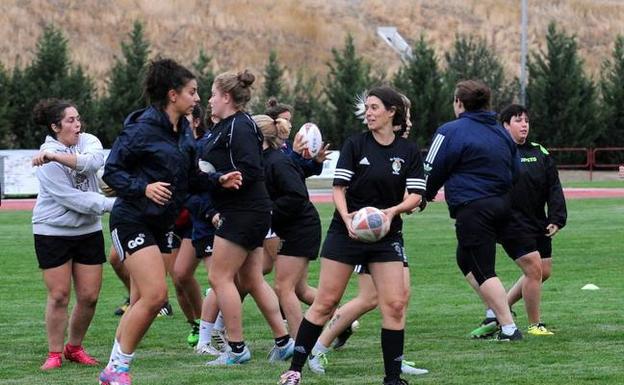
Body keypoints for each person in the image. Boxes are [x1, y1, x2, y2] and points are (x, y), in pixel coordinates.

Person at [279, 86, 425, 385]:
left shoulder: (408, 151)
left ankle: (393, 379)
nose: (368, 113)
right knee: (325, 302)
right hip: (346, 232)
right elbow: (338, 188)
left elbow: (416, 195)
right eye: (367, 108)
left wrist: (391, 212)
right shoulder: (356, 145)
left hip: (386, 235)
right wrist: (347, 218)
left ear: (391, 112)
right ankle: (294, 370)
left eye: (374, 108)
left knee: (395, 305)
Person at [98, 58, 208, 385]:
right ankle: (117, 369)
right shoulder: (142, 128)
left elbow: (190, 179)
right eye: (192, 91)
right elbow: (112, 171)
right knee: (156, 295)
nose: (197, 98)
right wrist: (143, 187)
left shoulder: (184, 134)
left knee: (142, 300)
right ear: (173, 95)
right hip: (132, 218)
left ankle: (112, 370)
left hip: (161, 225)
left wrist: (220, 182)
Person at [200, 70, 293, 366]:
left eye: (213, 94)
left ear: (226, 97)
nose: (209, 100)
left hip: (242, 211)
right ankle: (284, 342)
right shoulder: (226, 125)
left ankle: (237, 350)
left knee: (219, 277)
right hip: (248, 210)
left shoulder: (238, 126)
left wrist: (219, 178)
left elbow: (251, 169)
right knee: (252, 278)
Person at [424, 80, 521, 341]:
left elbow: (431, 168)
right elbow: (516, 171)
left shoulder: (449, 131)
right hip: (501, 205)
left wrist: (423, 195)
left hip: (473, 207)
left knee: (482, 268)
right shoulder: (501, 132)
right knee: (465, 258)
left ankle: (508, 327)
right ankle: (493, 312)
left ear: (459, 103)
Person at [31, 98, 116, 370]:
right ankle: (54, 353)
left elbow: (93, 162)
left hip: (88, 230)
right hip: (52, 231)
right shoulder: (45, 158)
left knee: (90, 296)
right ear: (55, 126)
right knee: (59, 296)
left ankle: (74, 347)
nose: (77, 125)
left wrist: (59, 155)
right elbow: (74, 200)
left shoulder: (87, 140)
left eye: (78, 119)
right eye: (70, 120)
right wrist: (116, 205)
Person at [470, 104, 567, 338]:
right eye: (517, 120)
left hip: (538, 221)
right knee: (534, 271)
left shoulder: (539, 152)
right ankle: (535, 324)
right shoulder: (498, 152)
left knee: (544, 271)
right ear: (505, 125)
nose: (524, 125)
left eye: (526, 120)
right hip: (511, 222)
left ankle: (500, 310)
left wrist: (556, 217)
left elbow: (554, 187)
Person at [254, 114, 322, 339]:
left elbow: (296, 195)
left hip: (300, 228)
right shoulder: (264, 159)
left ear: (258, 137)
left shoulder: (276, 161)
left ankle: (299, 341)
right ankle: (342, 320)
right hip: (292, 227)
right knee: (299, 289)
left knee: (284, 288)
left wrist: (268, 210)